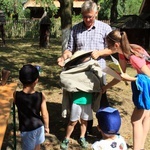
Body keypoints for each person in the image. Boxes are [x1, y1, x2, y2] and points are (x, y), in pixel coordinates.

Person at [57, 0, 112, 144]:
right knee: (79, 102)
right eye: (85, 17)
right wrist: (63, 57)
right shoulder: (75, 29)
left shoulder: (105, 28)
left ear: (96, 13)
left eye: (90, 17)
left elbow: (113, 49)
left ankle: (104, 131)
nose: (87, 20)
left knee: (100, 104)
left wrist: (100, 52)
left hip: (98, 74)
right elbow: (70, 49)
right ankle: (83, 131)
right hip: (79, 76)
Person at [96, 29, 150, 150]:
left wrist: (130, 78)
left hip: (147, 87)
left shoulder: (133, 57)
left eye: (108, 46)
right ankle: (140, 147)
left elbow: (148, 76)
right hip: (146, 86)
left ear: (116, 45)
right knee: (146, 117)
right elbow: (121, 75)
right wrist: (106, 87)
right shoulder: (123, 53)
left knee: (135, 120)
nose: (108, 49)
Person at [13, 64, 49, 150]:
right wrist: (47, 126)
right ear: (36, 81)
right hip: (39, 127)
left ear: (20, 80)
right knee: (37, 146)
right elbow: (44, 114)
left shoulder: (16, 95)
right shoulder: (41, 95)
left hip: (27, 130)